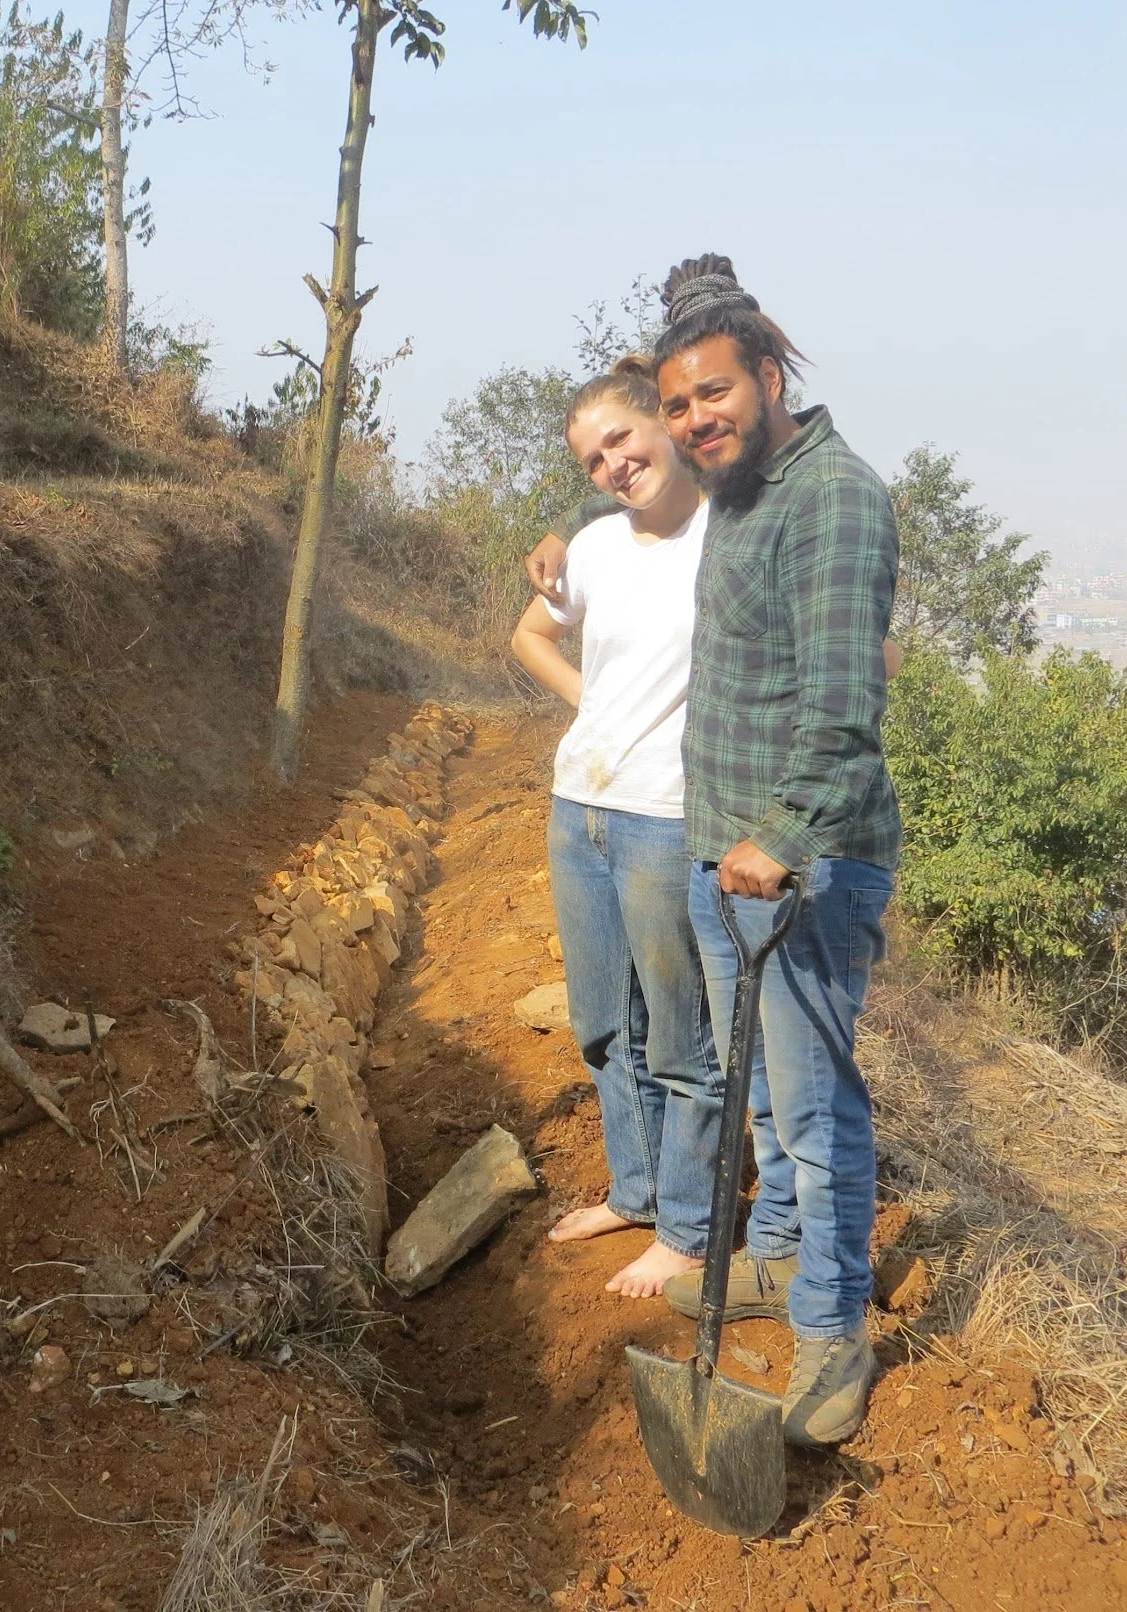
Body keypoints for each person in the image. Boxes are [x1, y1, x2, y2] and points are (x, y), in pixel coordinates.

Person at [528, 256, 900, 1448]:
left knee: (806, 1104)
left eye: (713, 396)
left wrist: (778, 841)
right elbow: (631, 511)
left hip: (799, 865)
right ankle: (777, 1257)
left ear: (770, 377)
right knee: (759, 1096)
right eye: (679, 403)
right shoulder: (737, 490)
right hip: (717, 854)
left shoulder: (830, 499)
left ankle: (832, 1328)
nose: (695, 420)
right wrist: (556, 545)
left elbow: (846, 708)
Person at [511, 356, 720, 1301]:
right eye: (593, 460)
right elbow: (530, 635)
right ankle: (635, 1192)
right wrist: (597, 709)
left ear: (665, 423)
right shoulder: (591, 547)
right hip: (580, 808)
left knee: (680, 1038)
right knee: (604, 1025)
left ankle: (686, 1228)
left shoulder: (731, 534)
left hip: (665, 821)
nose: (612, 466)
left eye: (621, 441)